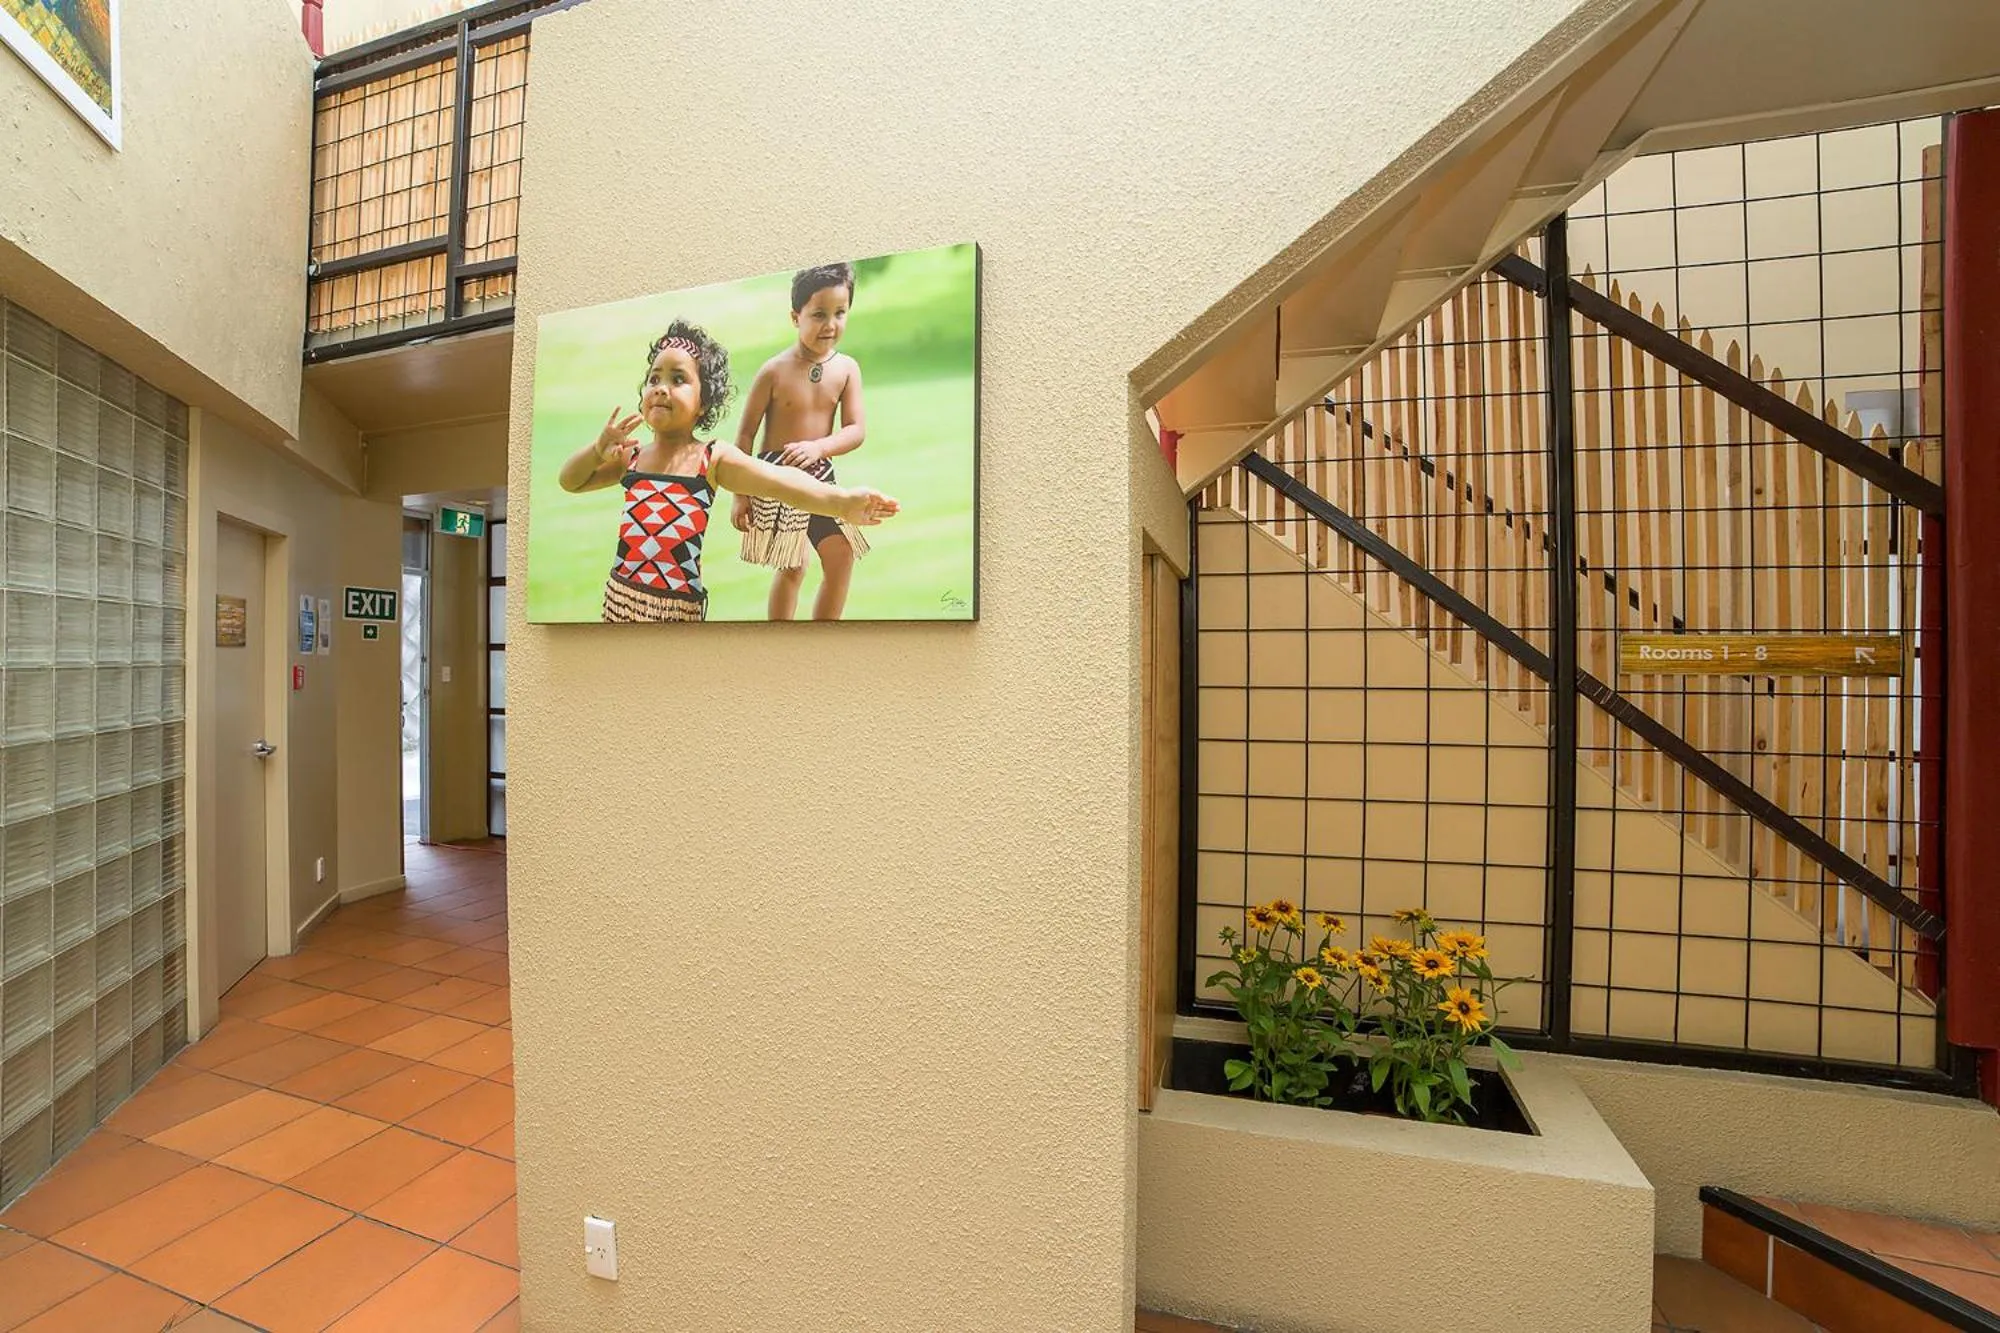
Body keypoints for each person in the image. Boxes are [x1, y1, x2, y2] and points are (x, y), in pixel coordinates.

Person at [559, 319, 898, 623]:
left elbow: (782, 482)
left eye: (678, 379)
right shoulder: (630, 457)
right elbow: (571, 481)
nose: (662, 387)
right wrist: (596, 451)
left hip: (676, 612)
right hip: (619, 603)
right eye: (654, 378)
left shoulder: (711, 458)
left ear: (704, 402)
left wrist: (841, 502)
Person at [732, 262, 872, 619]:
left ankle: (823, 635)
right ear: (796, 317)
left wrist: (819, 447)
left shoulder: (846, 369)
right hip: (777, 475)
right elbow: (746, 433)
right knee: (793, 565)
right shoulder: (773, 371)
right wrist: (740, 496)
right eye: (819, 314)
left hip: (820, 472)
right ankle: (782, 637)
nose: (830, 325)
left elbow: (855, 429)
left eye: (840, 313)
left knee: (841, 556)